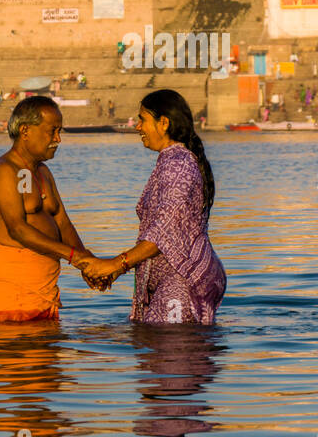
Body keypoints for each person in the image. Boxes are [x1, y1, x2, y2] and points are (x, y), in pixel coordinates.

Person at [84, 90, 226, 324]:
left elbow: (163, 232)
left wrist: (115, 264)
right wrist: (117, 270)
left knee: (170, 353)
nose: (138, 127)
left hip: (180, 281)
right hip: (171, 278)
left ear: (163, 123)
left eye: (142, 120)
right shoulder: (171, 161)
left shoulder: (178, 165)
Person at [0, 96, 104, 323]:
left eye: (60, 131)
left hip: (44, 285)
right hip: (13, 288)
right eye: (52, 131)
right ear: (25, 130)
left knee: (47, 354)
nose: (57, 139)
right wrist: (72, 256)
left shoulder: (42, 172)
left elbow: (62, 221)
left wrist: (88, 263)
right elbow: (18, 229)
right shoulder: (5, 171)